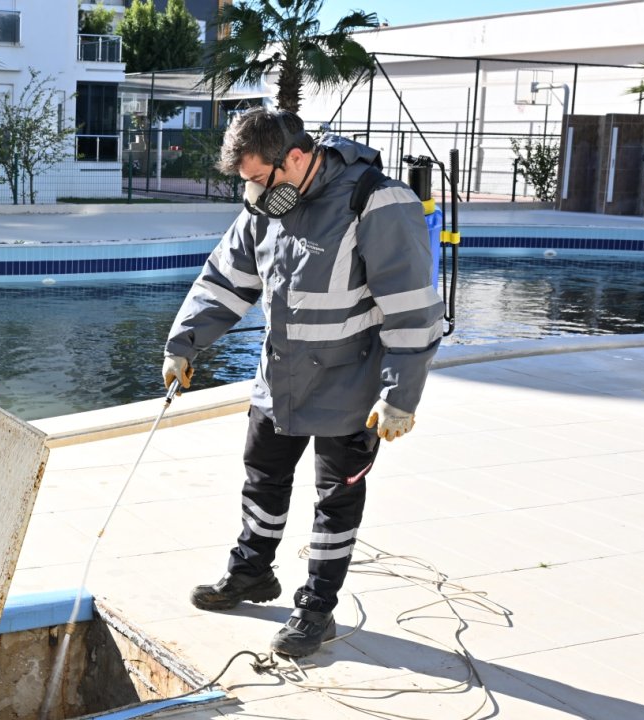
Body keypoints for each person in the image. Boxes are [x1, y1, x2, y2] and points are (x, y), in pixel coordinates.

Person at [161, 109, 443, 659]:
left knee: (335, 501)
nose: (255, 194)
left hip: (353, 389)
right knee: (262, 480)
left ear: (295, 157)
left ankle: (317, 607)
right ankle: (251, 573)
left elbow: (413, 309)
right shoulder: (266, 205)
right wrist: (182, 343)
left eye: (260, 178)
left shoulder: (377, 202)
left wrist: (400, 396)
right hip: (279, 379)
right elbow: (224, 282)